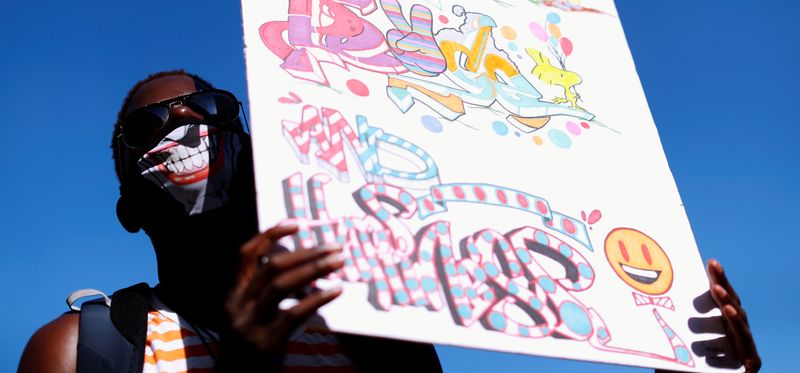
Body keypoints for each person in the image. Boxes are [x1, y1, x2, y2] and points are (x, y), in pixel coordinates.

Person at [18, 70, 761, 372]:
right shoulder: (82, 349)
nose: (186, 121)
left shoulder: (368, 322)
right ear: (125, 208)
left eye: (213, 110)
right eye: (152, 125)